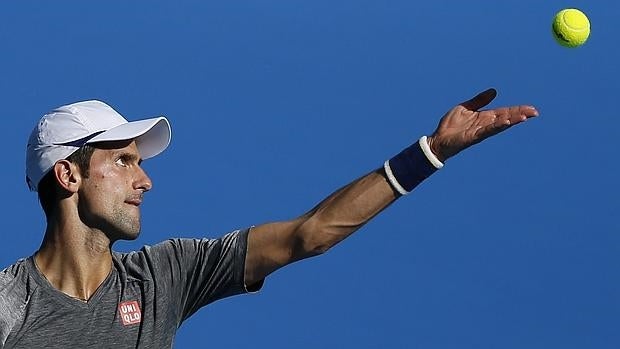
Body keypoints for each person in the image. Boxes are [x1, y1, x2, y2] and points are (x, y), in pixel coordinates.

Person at [0, 88, 538, 348]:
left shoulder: (164, 275)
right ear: (69, 176)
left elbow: (310, 234)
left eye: (141, 163)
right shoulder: (9, 303)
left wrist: (431, 151)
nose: (145, 181)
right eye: (123, 160)